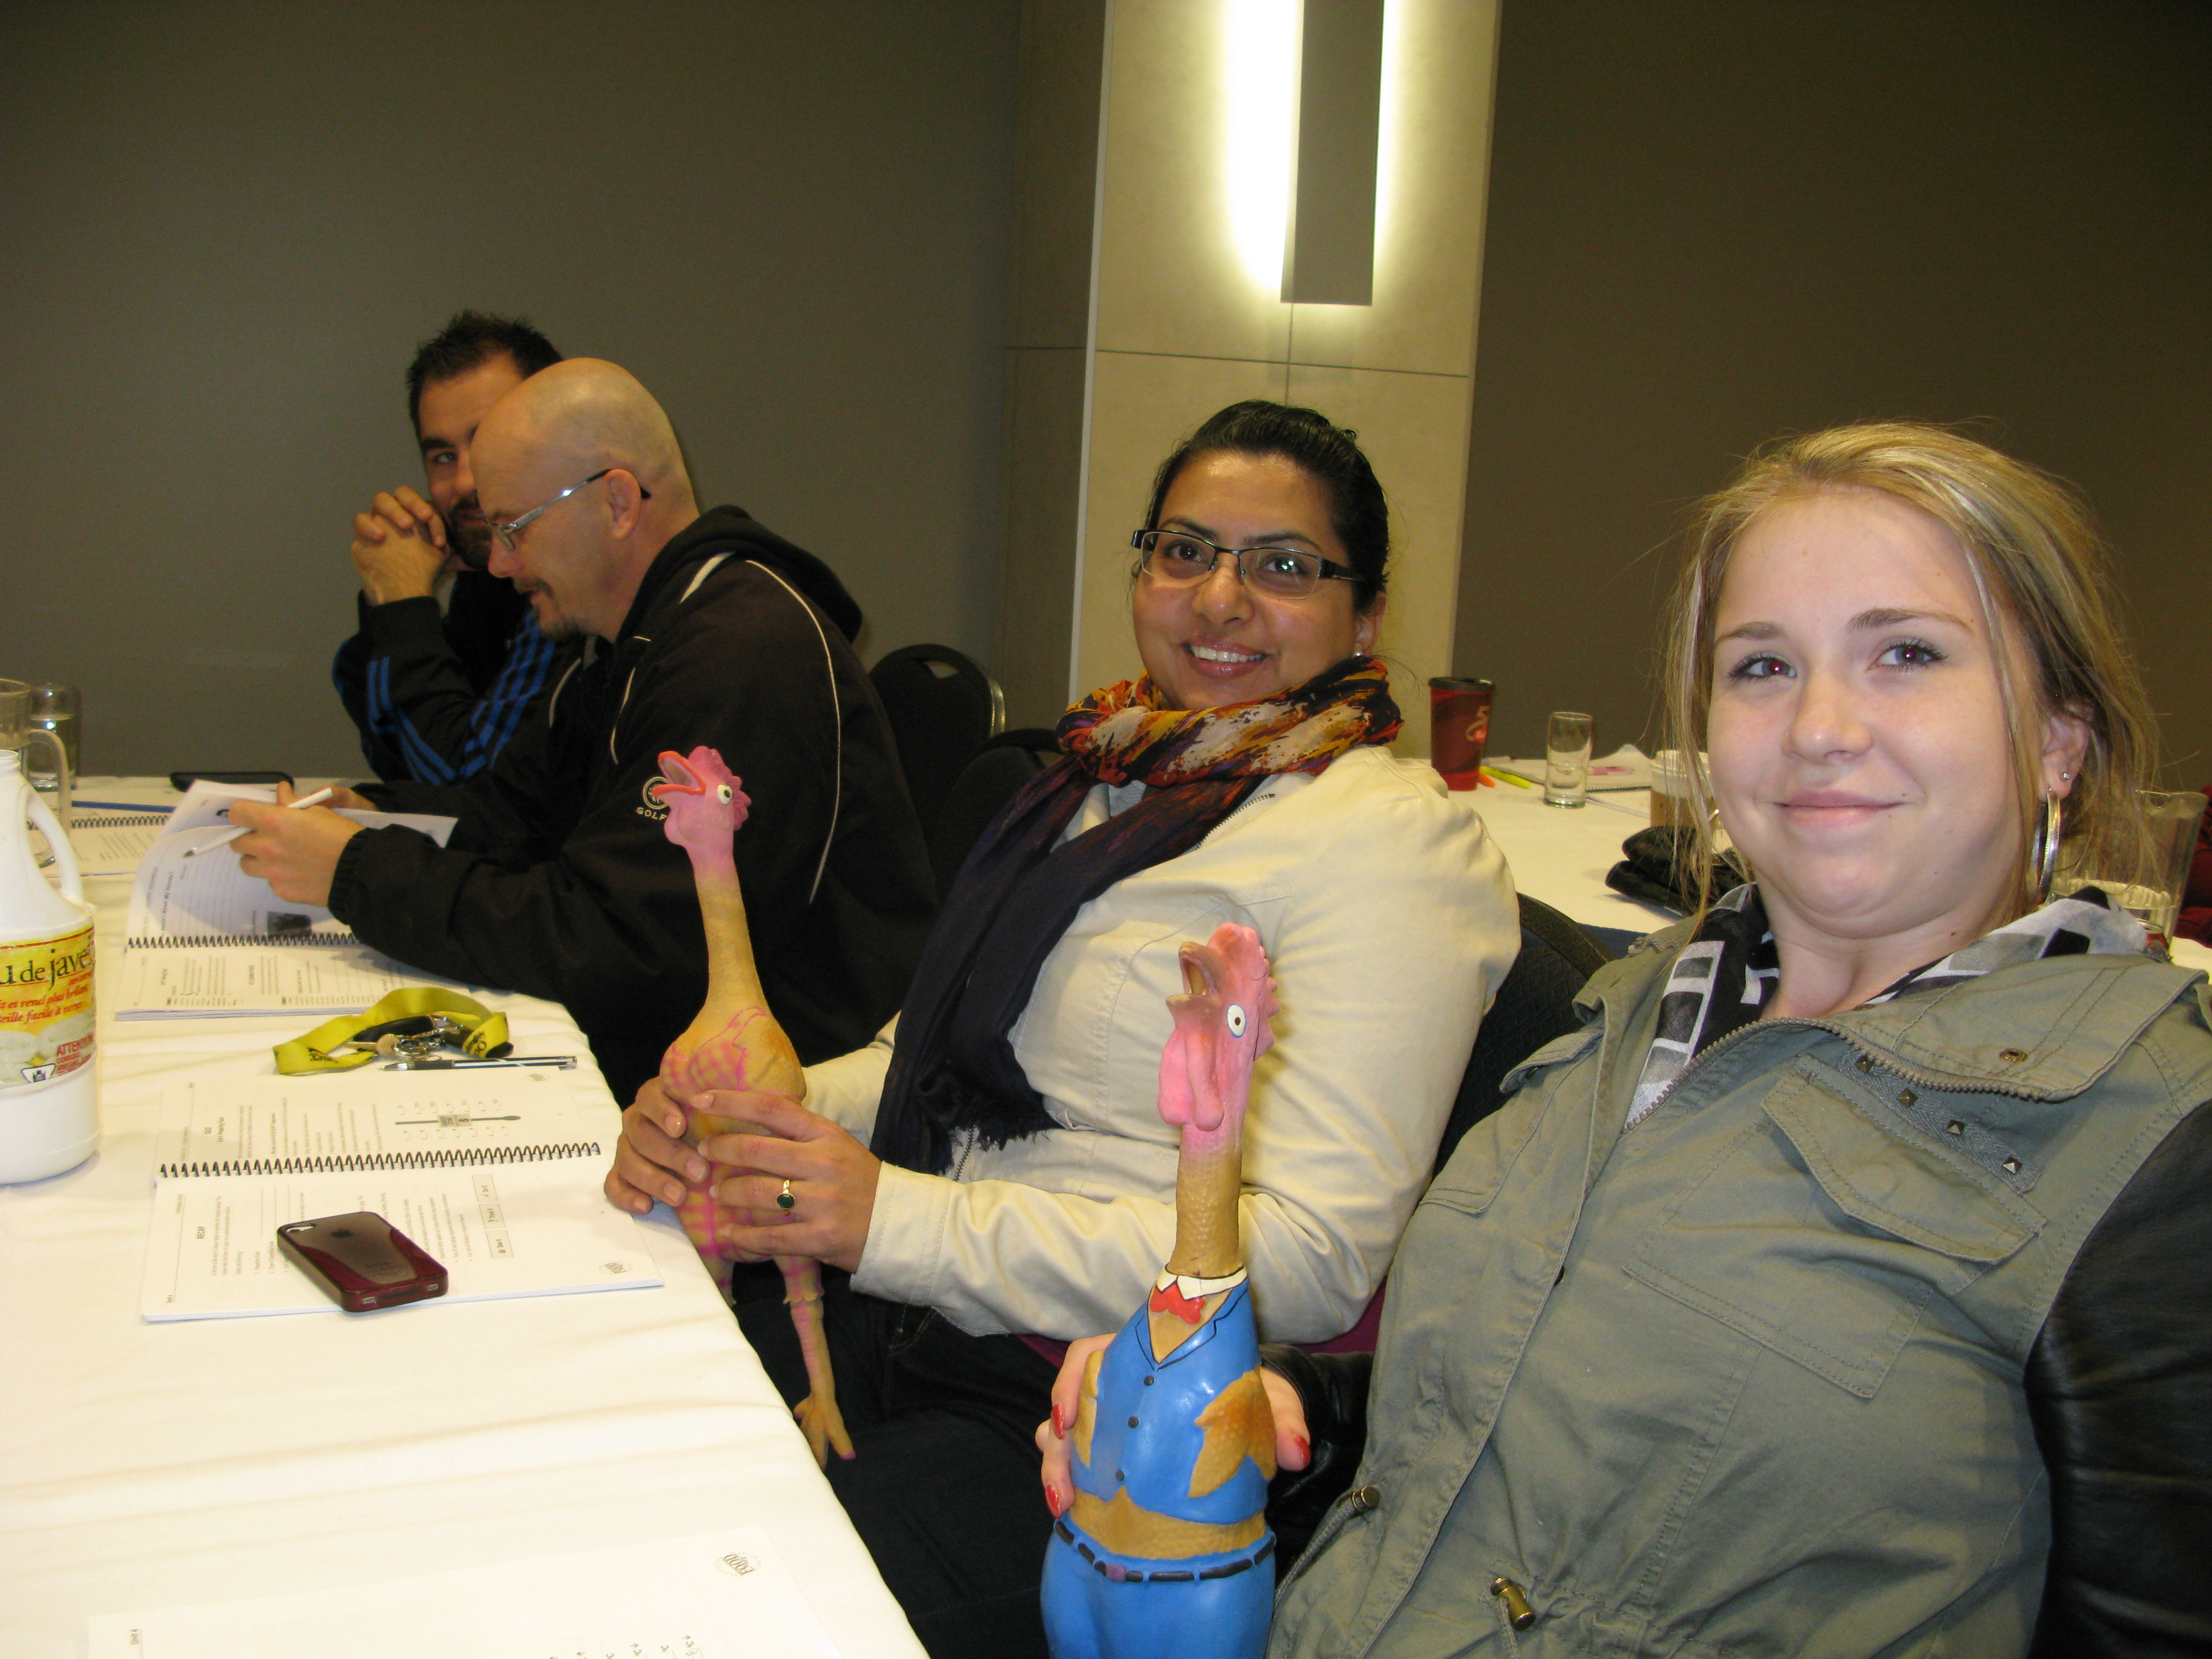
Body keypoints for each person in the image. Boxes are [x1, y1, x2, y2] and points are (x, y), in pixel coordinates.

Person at [1039, 422, 2212, 1656]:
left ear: (2059, 736)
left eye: (1906, 654)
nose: (1818, 725)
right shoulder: (1638, 1010)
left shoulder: (2152, 1146)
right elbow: (1544, 1404)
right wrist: (1281, 1407)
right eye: (1762, 666)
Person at [609, 401, 1520, 1656]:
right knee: (607, 1471)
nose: (1220, 598)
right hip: (913, 1314)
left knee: (714, 1613)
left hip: (1093, 1408)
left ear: (1364, 616)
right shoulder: (1102, 777)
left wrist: (891, 1219)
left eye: (1282, 565)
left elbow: (1312, 1262)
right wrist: (753, 1114)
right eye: (1185, 550)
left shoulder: (1386, 842)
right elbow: (917, 1061)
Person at [234, 358, 937, 1105]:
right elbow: (516, 815)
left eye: (514, 528)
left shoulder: (739, 654)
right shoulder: (622, 640)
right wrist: (375, 819)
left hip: (781, 1102)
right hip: (668, 1058)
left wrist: (358, 872)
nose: (499, 564)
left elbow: (626, 949)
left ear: (617, 502)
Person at [331, 310, 567, 783]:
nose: (462, 481)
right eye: (443, 456)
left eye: (488, 442)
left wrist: (405, 606)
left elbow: (472, 785)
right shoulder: (486, 581)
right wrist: (388, 598)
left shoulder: (572, 588)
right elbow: (403, 761)